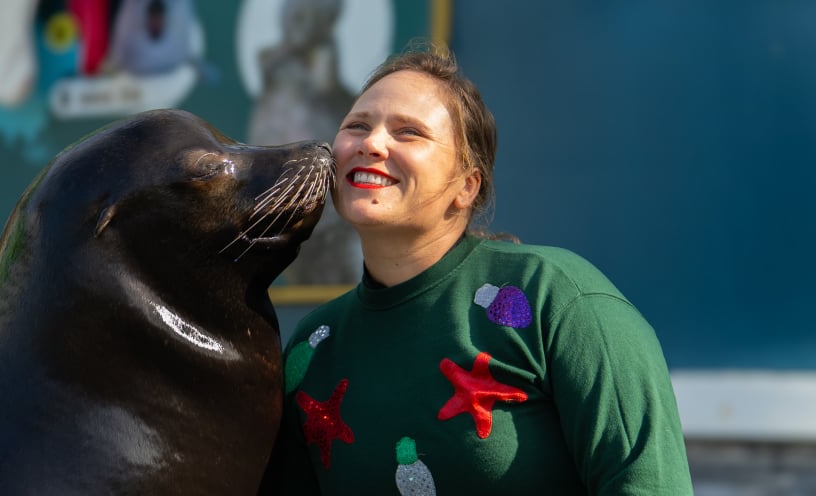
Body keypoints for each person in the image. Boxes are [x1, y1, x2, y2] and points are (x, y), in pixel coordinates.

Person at [264, 43, 694, 495]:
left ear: (466, 185)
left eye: (408, 132)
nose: (371, 143)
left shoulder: (560, 299)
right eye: (356, 126)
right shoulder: (313, 348)